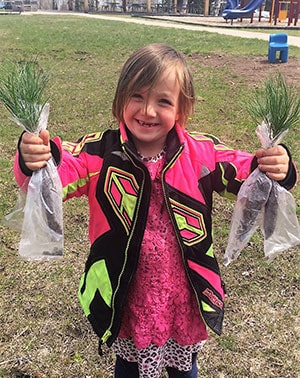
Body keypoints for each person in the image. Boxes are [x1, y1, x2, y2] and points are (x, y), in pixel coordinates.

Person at [14, 44, 296, 378]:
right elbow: (61, 173)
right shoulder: (101, 153)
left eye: (163, 100)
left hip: (183, 292)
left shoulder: (200, 154)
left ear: (182, 108)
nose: (147, 110)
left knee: (184, 368)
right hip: (127, 290)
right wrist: (37, 159)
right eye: (137, 96)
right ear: (121, 99)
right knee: (129, 367)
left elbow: (245, 172)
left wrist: (275, 165)